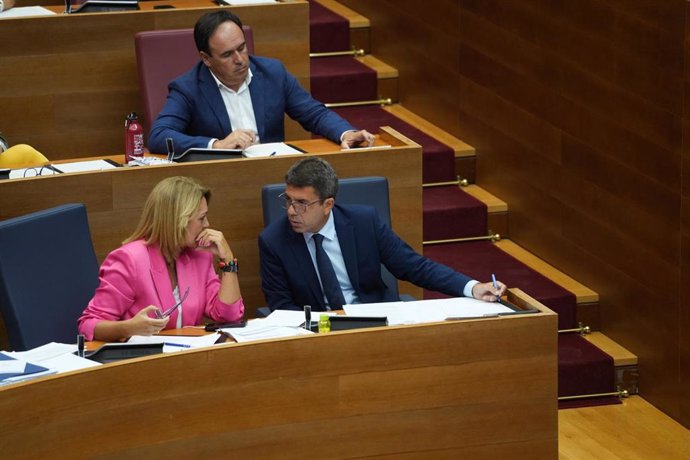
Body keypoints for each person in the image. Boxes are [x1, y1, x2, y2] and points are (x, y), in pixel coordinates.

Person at [258, 157, 507, 311]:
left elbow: (413, 266)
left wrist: (472, 287)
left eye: (302, 203)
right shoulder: (273, 241)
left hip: (373, 320)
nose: (291, 211)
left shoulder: (364, 222)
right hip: (317, 334)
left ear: (328, 204)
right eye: (288, 200)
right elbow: (282, 307)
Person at [147, 10, 375, 154]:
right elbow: (159, 136)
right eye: (227, 55)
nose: (239, 59)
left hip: (276, 175)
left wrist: (346, 133)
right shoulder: (188, 88)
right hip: (221, 180)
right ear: (206, 58)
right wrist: (217, 145)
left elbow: (314, 113)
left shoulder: (273, 72)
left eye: (242, 48)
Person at [78, 176, 244, 341]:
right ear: (177, 221)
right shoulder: (130, 260)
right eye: (201, 218)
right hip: (144, 360)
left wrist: (228, 260)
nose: (207, 224)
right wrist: (129, 328)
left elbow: (229, 316)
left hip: (187, 357)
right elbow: (88, 325)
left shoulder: (200, 256)